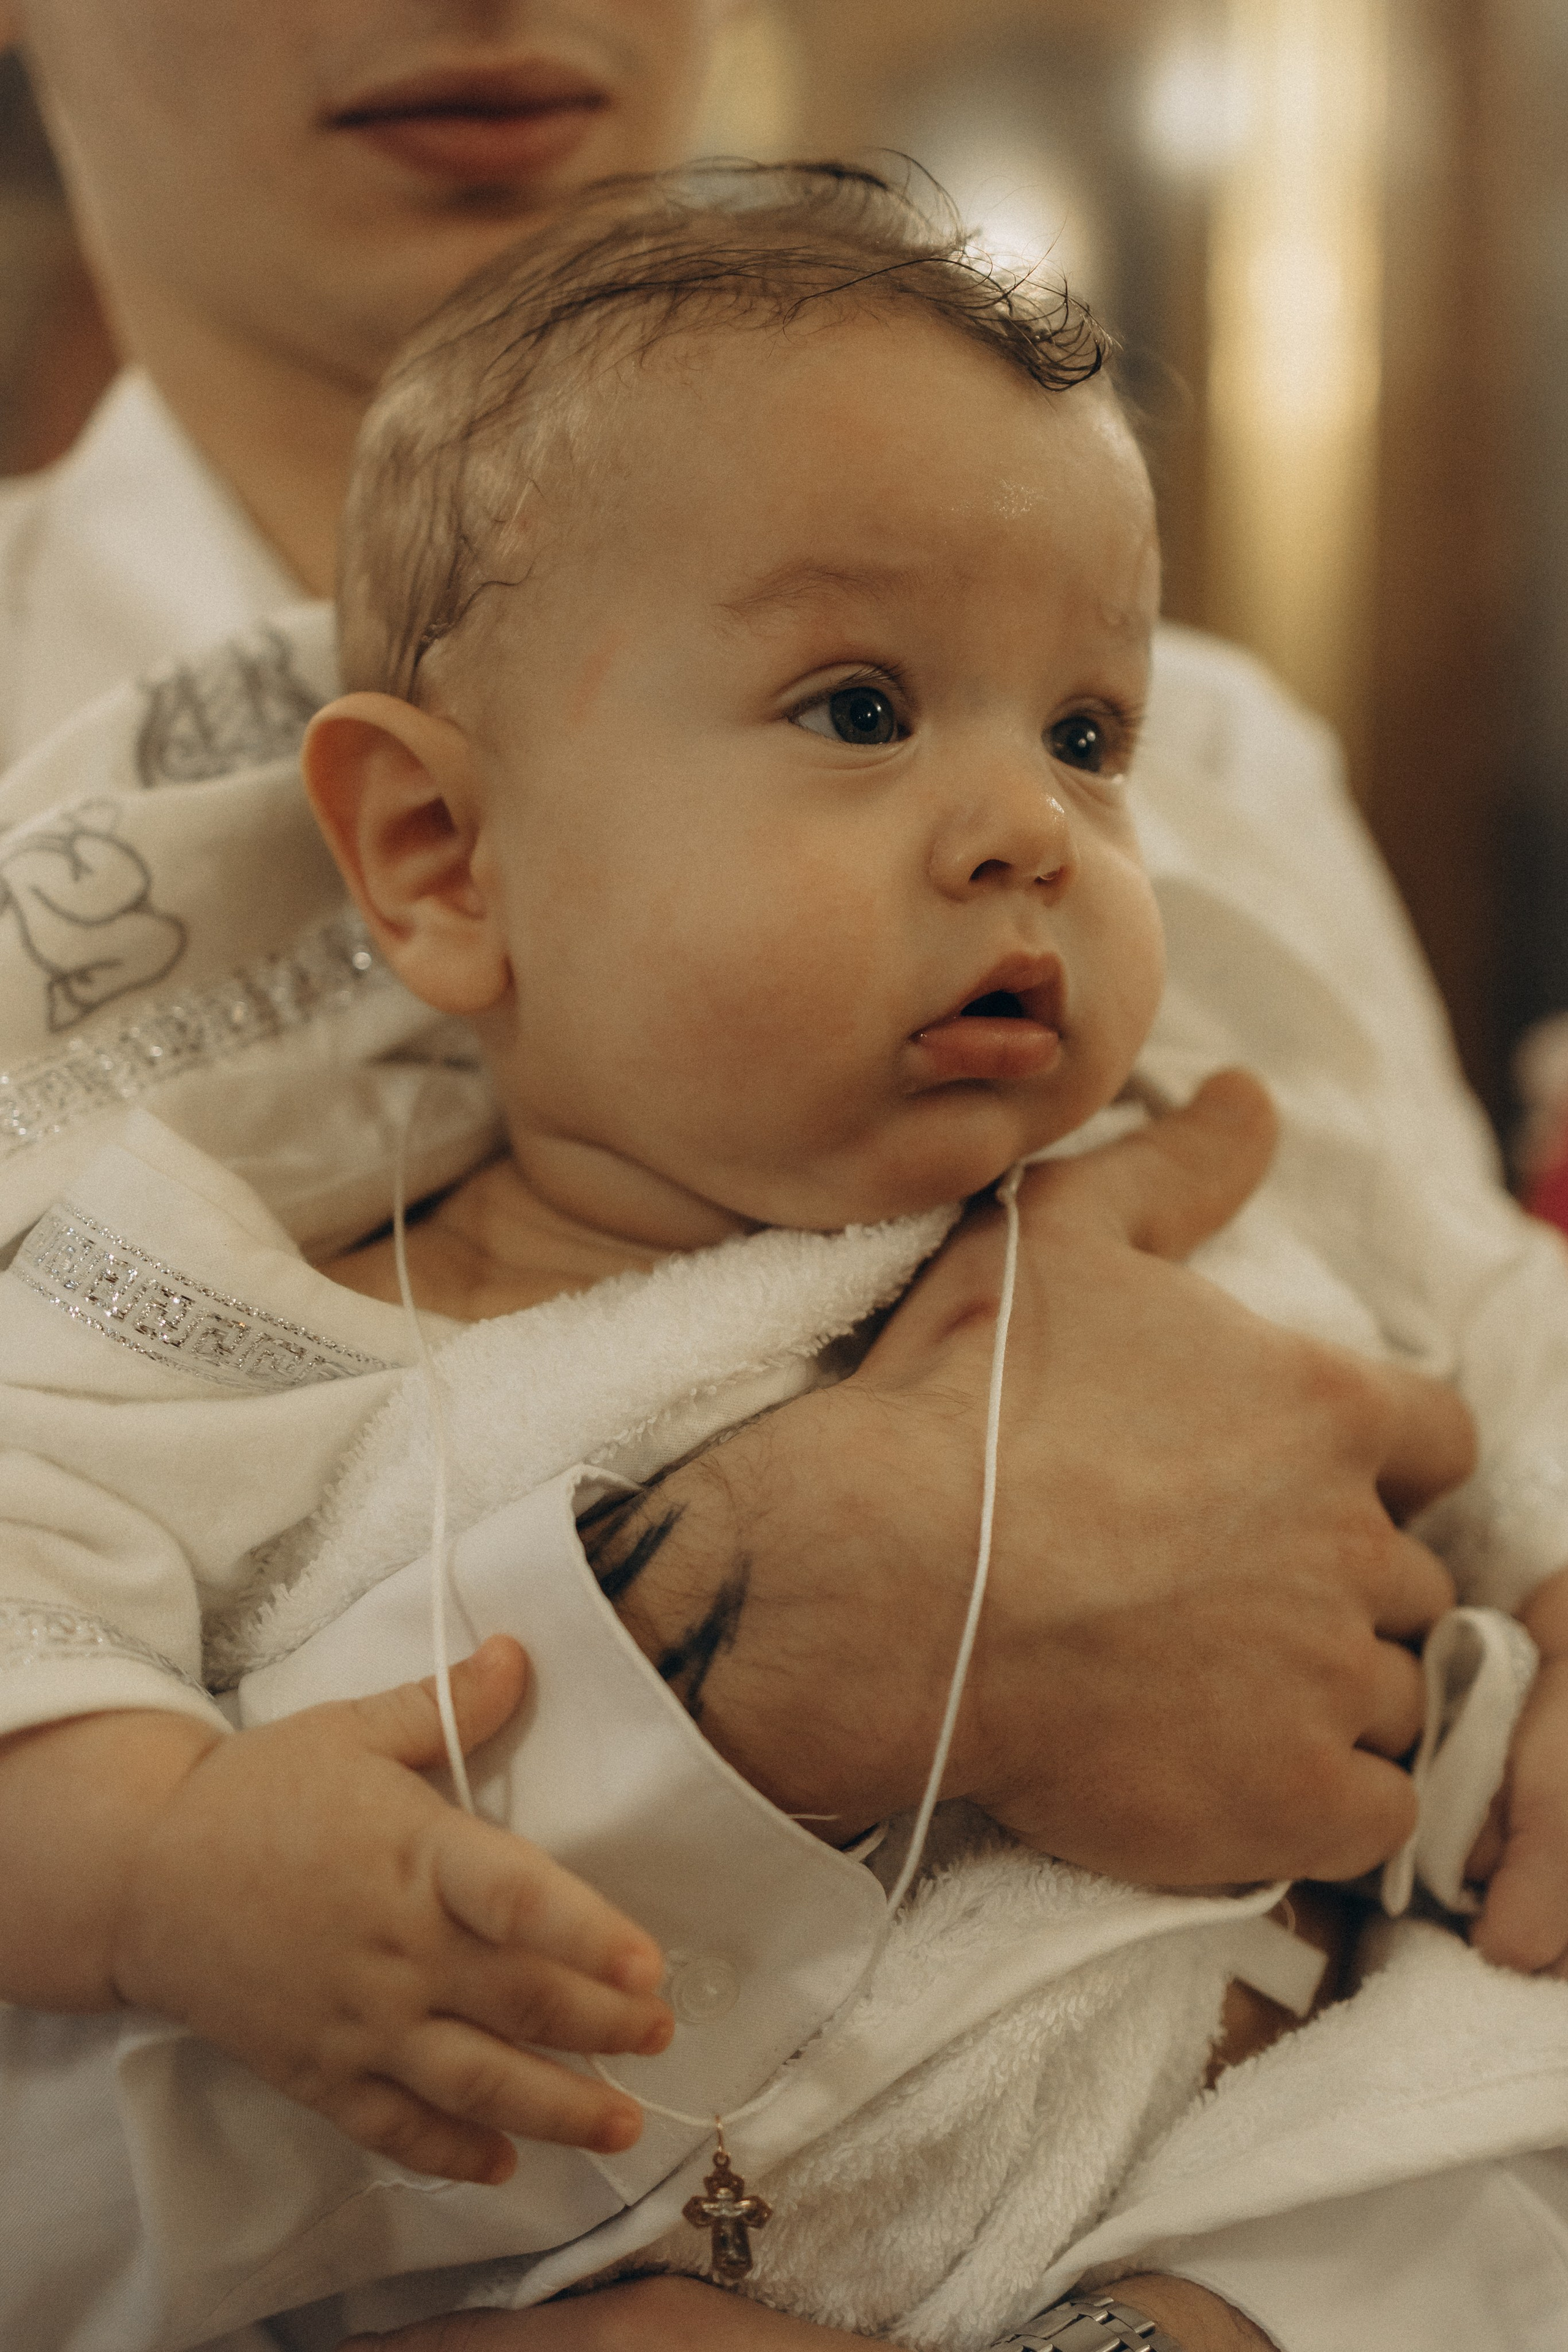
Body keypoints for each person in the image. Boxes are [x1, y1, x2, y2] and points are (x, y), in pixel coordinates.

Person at [0, 4, 1556, 2346]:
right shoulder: (245, 1291)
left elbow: (1486, 1339)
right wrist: (168, 1862)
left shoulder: (1220, 881)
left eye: (1082, 733)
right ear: (433, 849)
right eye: (856, 708)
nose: (1039, 815)